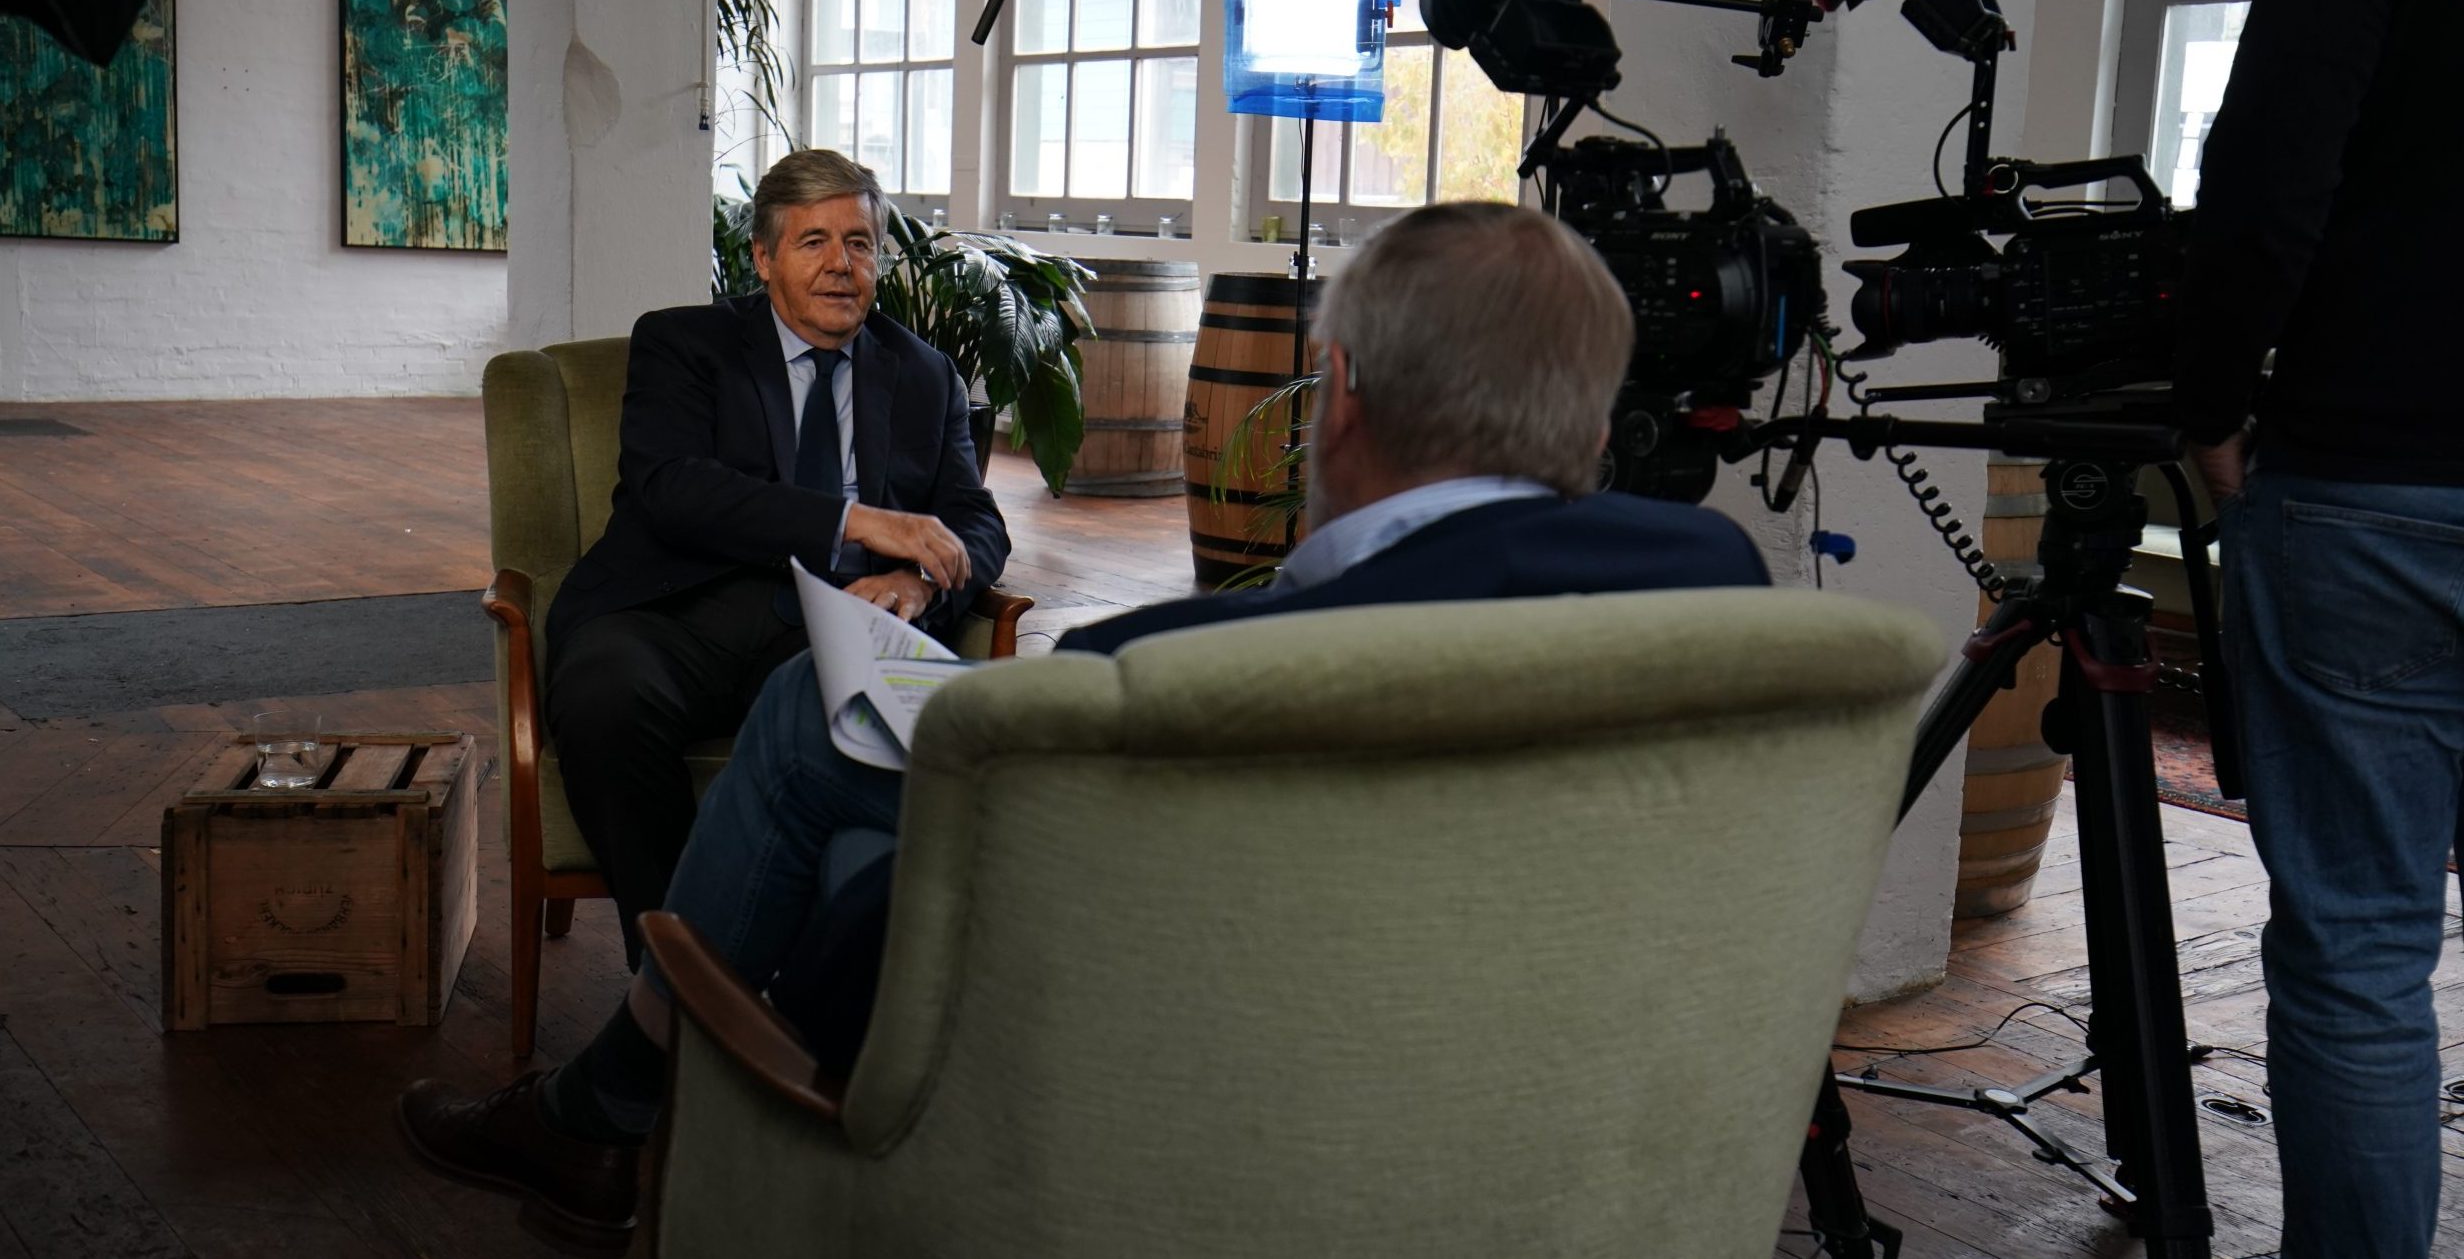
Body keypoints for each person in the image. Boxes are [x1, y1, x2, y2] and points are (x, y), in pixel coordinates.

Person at [400, 200, 1772, 1246]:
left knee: (821, 761)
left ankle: (605, 1099)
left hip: (1183, 1098)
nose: (844, 262)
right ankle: (602, 1098)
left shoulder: (1167, 676)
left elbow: (872, 981)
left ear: (1340, 395)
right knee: (805, 718)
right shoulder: (1725, 595)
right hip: (1570, 1105)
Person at [2173, 0, 2464, 1257]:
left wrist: (2213, 394)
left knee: (2360, 950)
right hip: (2382, 480)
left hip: (2374, 469)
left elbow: (2278, 152)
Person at [544, 147, 1009, 966]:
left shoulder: (924, 374)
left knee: (868, 741)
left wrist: (915, 583)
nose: (841, 264)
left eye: (859, 243)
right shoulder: (683, 344)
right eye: (813, 241)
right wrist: (859, 520)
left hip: (830, 623)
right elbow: (674, 488)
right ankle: (679, 979)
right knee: (601, 695)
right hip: (675, 611)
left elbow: (978, 523)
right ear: (763, 258)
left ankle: (789, 988)